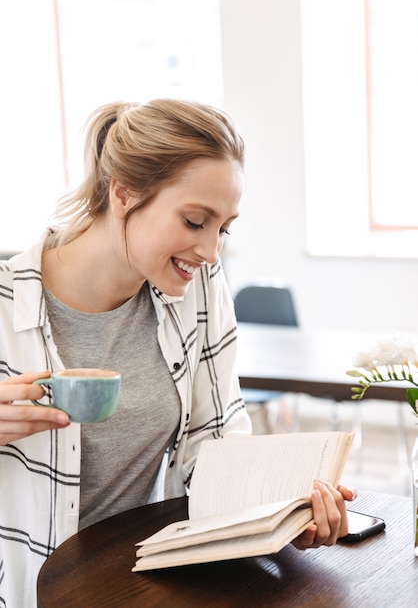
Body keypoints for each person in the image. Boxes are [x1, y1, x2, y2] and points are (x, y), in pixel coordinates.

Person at [0, 99, 356, 607]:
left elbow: (216, 449)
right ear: (123, 193)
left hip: (147, 584)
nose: (212, 251)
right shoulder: (6, 303)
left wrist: (281, 517)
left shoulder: (200, 287)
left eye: (224, 228)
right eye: (194, 221)